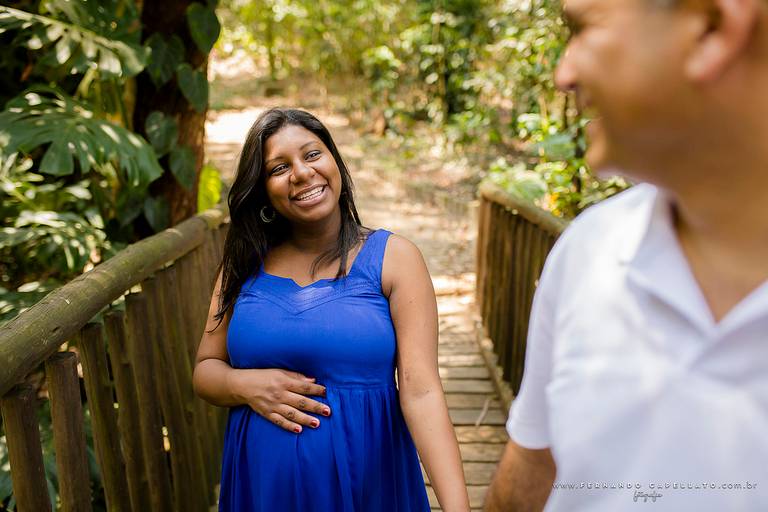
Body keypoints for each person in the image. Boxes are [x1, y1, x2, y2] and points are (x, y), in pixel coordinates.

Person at [485, 0, 768, 511]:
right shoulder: (590, 247)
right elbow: (533, 464)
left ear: (712, 28)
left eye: (583, 29)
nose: (563, 75)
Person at [192, 108, 470, 511]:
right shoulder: (243, 263)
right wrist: (247, 386)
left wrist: (457, 507)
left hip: (368, 484)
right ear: (264, 191)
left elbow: (422, 390)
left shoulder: (395, 258)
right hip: (264, 487)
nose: (302, 173)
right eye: (278, 168)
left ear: (336, 162)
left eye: (312, 154)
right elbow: (205, 370)